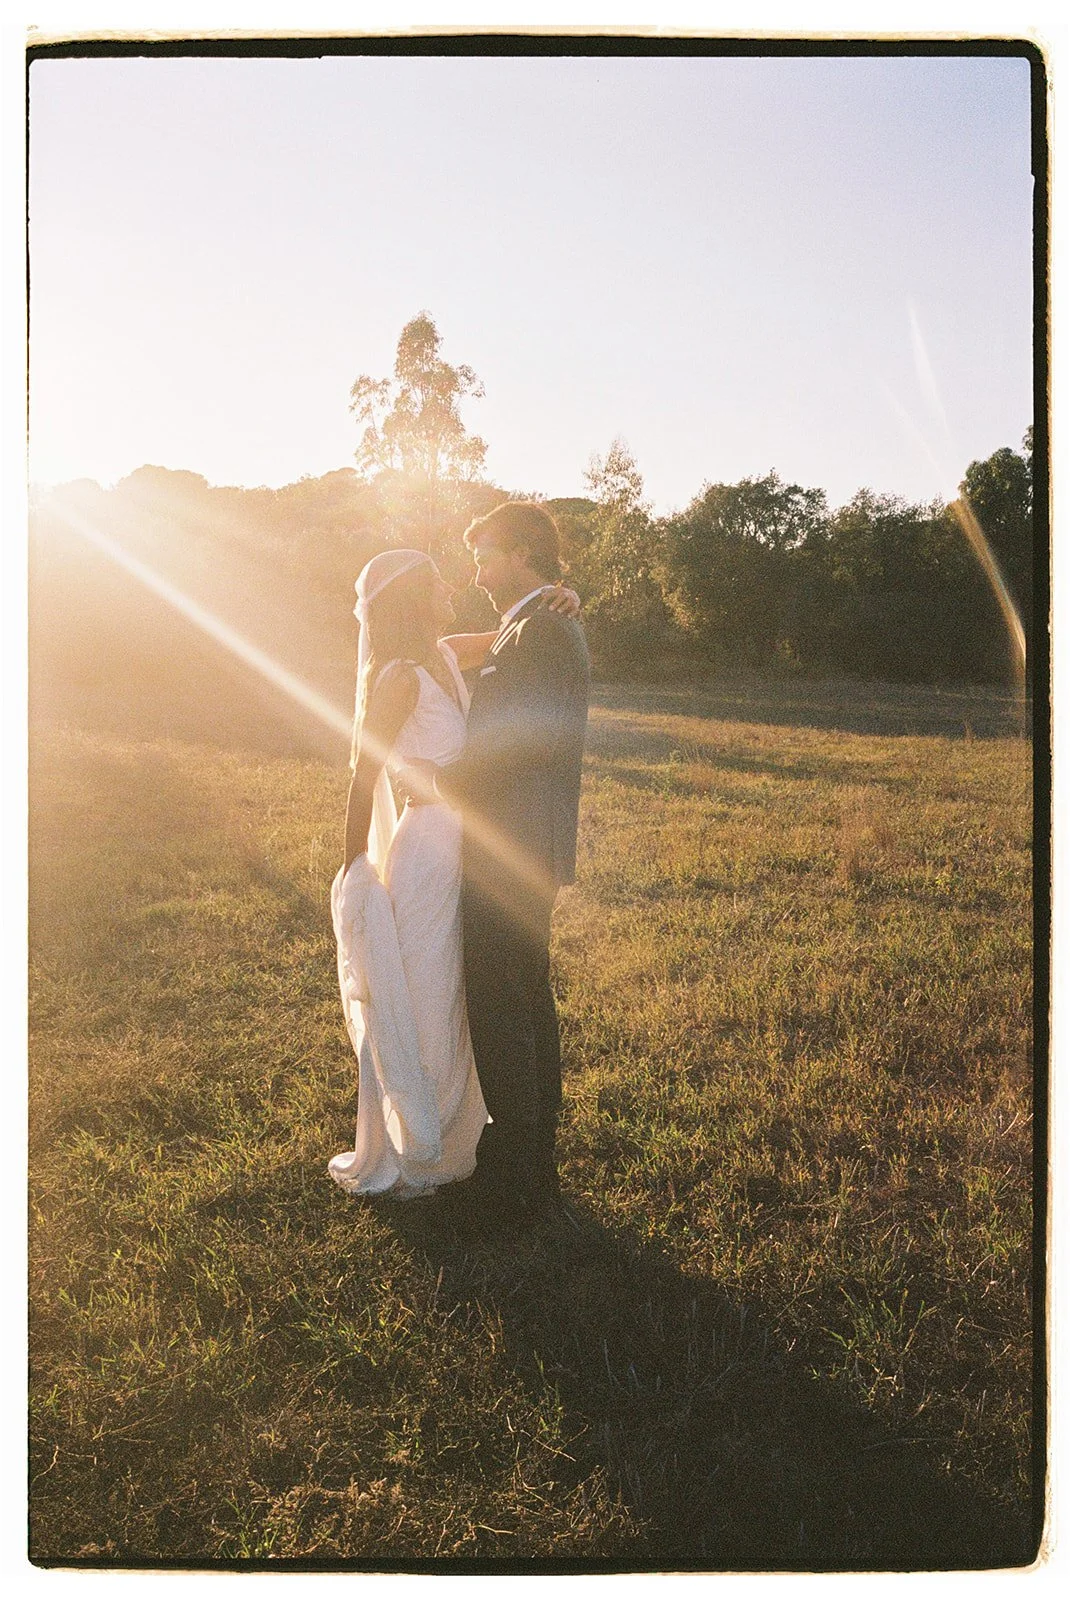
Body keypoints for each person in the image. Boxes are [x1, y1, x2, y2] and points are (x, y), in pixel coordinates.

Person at [328, 544, 580, 1203]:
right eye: (436, 584)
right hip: (423, 851)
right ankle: (417, 1143)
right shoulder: (399, 677)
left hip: (463, 843)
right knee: (424, 992)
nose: (450, 589)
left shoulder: (442, 654)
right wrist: (355, 864)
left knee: (458, 994)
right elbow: (365, 771)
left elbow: (516, 635)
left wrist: (562, 599)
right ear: (411, 597)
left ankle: (458, 1133)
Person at [436, 501, 590, 1225]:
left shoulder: (543, 629)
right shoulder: (533, 625)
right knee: (522, 992)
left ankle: (522, 1170)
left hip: (512, 842)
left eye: (487, 553)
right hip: (524, 838)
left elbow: (520, 738)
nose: (477, 569)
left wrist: (438, 782)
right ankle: (528, 1154)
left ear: (525, 553)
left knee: (505, 998)